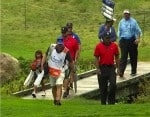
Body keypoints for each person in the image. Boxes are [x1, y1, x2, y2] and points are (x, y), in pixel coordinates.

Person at [41, 37, 73, 106]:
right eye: (59, 44)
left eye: (61, 45)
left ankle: (58, 100)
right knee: (53, 86)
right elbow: (45, 54)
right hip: (51, 70)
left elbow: (71, 61)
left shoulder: (66, 51)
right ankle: (55, 100)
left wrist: (72, 69)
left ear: (63, 44)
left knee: (59, 85)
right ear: (56, 43)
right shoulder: (51, 47)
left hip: (61, 71)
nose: (60, 46)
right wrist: (42, 64)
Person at [94, 32, 120, 105]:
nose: (108, 40)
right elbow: (96, 58)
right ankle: (103, 103)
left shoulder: (114, 46)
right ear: (103, 39)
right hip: (102, 68)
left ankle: (111, 102)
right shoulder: (98, 46)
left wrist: (118, 68)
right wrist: (97, 68)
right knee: (103, 87)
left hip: (111, 68)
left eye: (109, 38)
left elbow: (117, 57)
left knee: (113, 85)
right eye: (106, 38)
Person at [118, 9, 142, 77]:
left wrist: (138, 39)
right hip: (123, 40)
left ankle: (133, 71)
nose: (126, 15)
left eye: (127, 14)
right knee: (123, 57)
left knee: (133, 56)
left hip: (132, 40)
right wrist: (119, 41)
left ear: (129, 14)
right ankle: (121, 72)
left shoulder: (133, 21)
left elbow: (138, 31)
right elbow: (119, 32)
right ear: (123, 14)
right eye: (125, 14)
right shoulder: (121, 22)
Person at [58, 26, 79, 98]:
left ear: (67, 32)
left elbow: (76, 50)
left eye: (65, 32)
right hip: (62, 61)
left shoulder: (73, 40)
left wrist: (75, 59)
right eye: (62, 33)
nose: (63, 34)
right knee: (63, 76)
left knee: (68, 75)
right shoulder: (59, 40)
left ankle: (66, 89)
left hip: (70, 60)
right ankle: (66, 88)